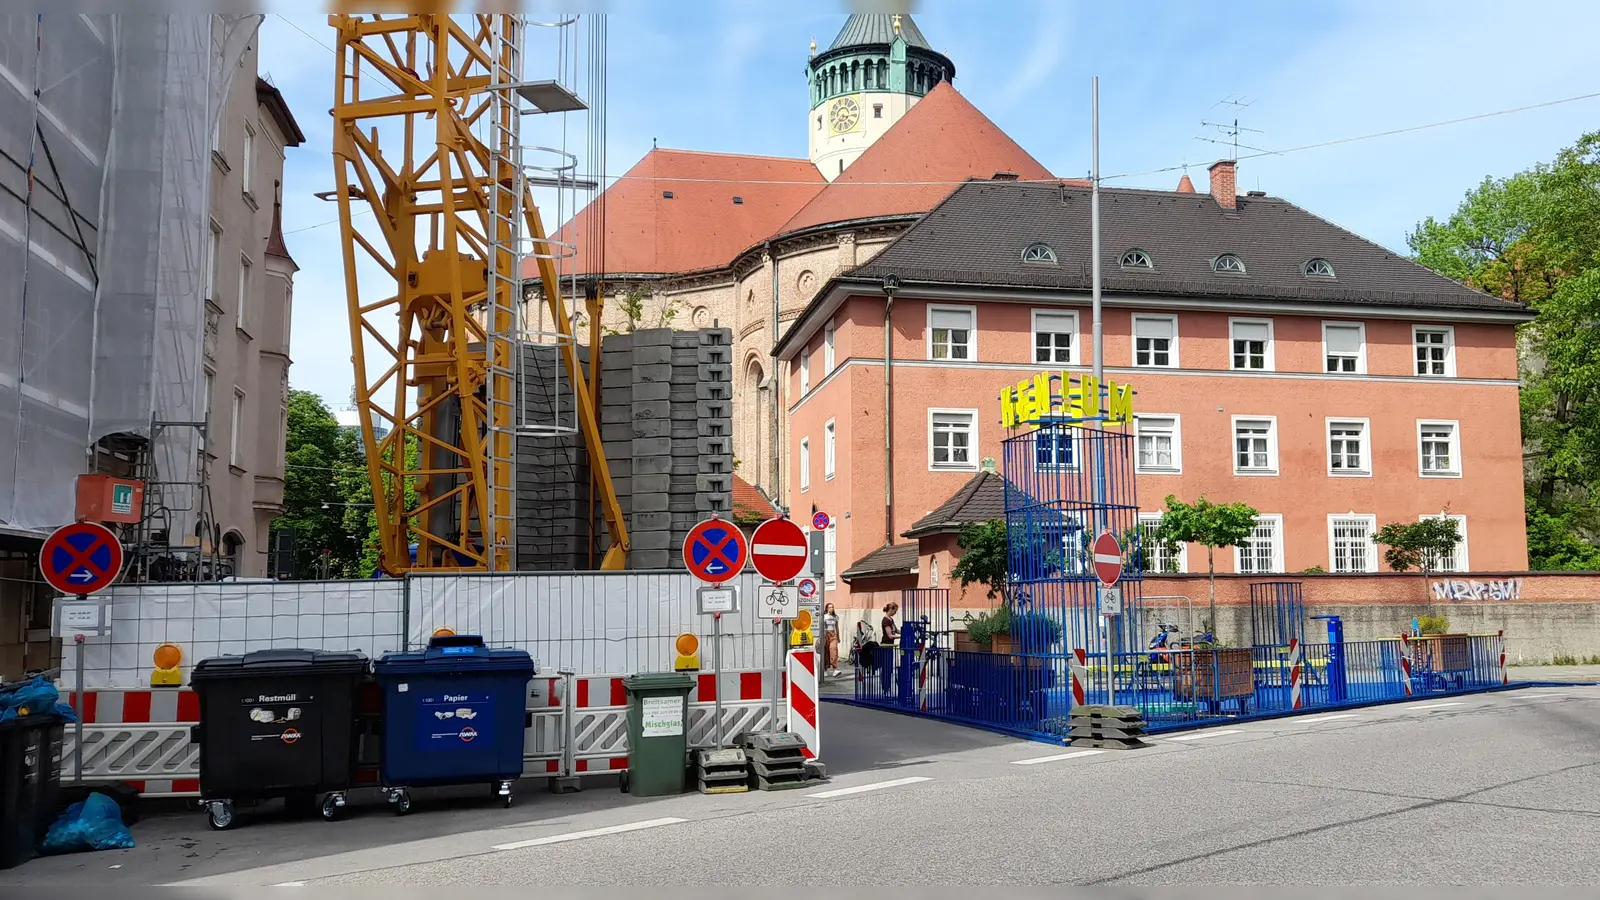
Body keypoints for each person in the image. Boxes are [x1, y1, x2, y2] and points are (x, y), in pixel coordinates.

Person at [878, 601, 900, 693]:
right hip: (886, 645)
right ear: (891, 609)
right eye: (895, 610)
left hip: (890, 646)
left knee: (890, 667)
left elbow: (896, 630)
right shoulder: (885, 620)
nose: (895, 613)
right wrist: (901, 636)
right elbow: (890, 635)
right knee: (886, 667)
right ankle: (885, 686)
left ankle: (888, 686)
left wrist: (905, 632)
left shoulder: (891, 619)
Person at [822, 602, 841, 676]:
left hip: (833, 635)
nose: (831, 608)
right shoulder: (824, 616)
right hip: (825, 634)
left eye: (832, 607)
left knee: (834, 650)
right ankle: (825, 670)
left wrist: (838, 637)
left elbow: (837, 627)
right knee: (825, 651)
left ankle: (835, 669)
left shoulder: (835, 617)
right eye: (830, 607)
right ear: (827, 608)